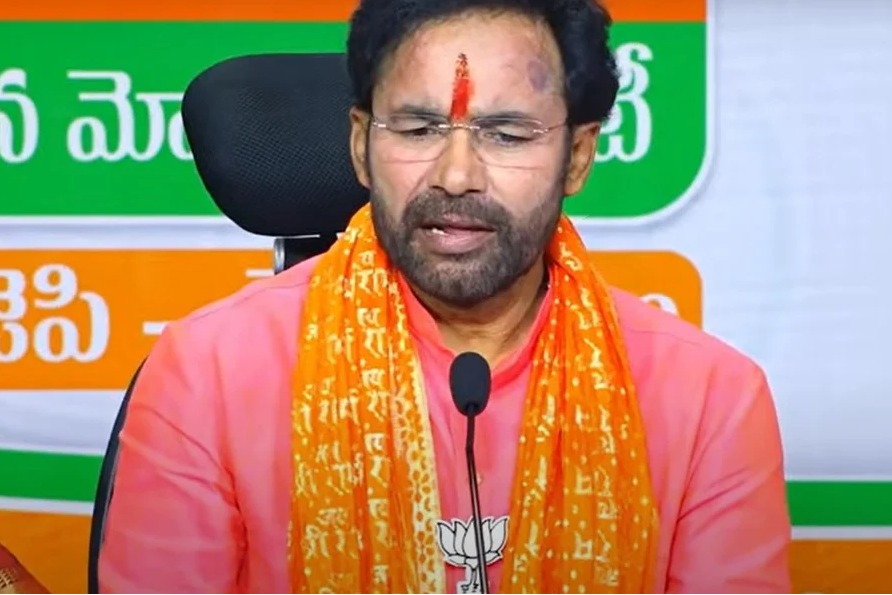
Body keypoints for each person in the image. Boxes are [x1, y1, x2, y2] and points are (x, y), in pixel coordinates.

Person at [99, 0, 792, 592]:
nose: (456, 175)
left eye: (507, 134)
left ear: (578, 157)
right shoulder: (209, 374)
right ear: (360, 144)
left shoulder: (708, 399)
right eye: (418, 128)